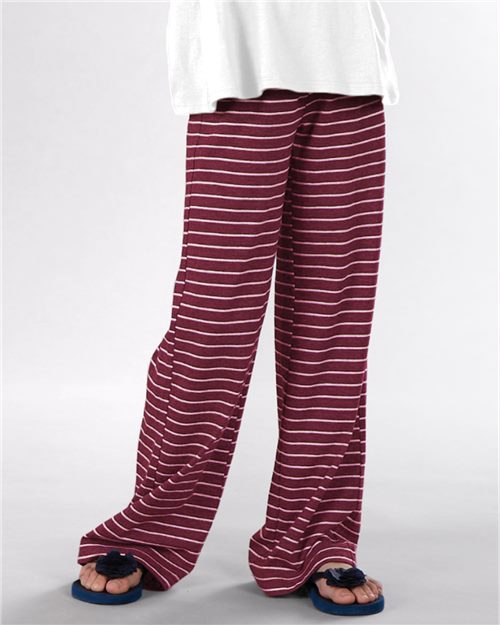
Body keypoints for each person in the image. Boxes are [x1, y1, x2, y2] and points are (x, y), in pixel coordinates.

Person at [71, 0, 400, 616]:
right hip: (237, 63)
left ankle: (313, 538)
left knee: (334, 326)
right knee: (212, 320)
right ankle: (151, 529)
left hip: (348, 63)